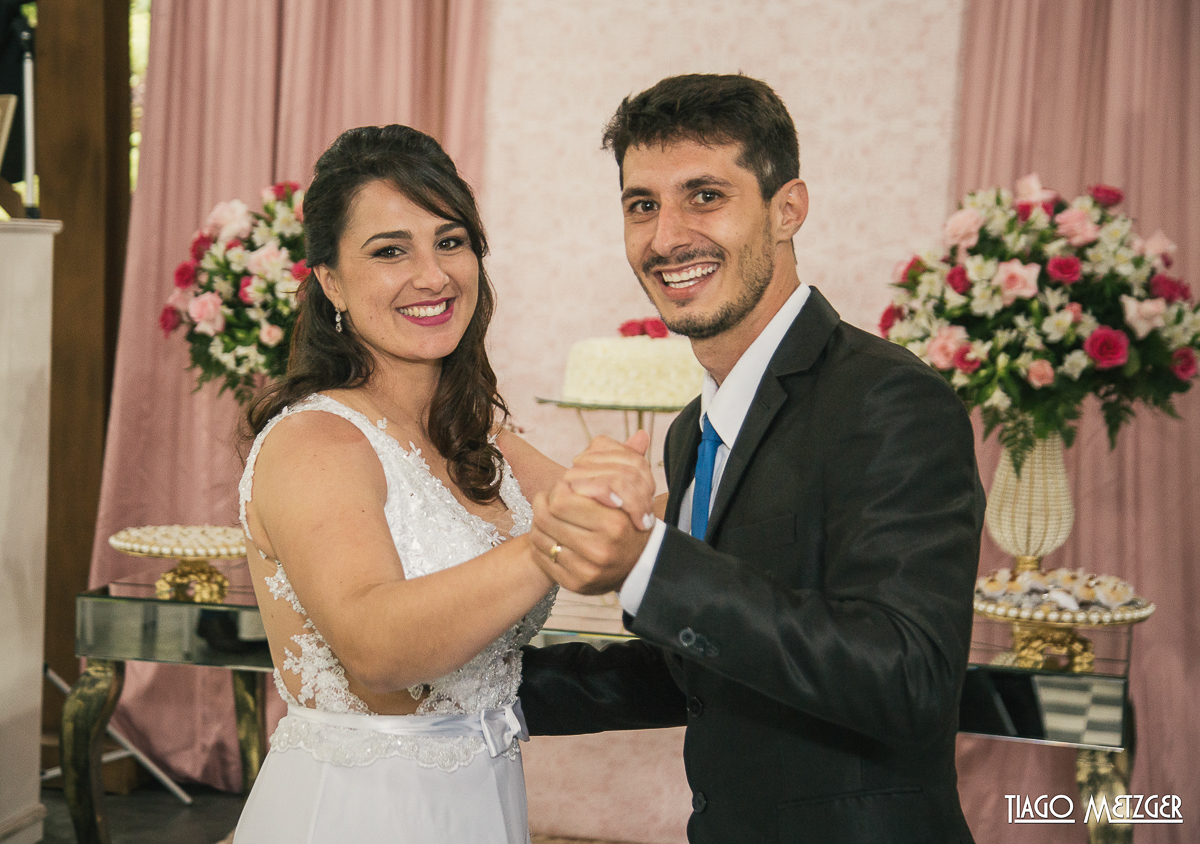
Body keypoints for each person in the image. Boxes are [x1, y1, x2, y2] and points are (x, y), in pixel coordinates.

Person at [519, 74, 986, 843]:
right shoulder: (689, 430)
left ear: (786, 209)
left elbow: (909, 677)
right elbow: (705, 670)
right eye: (642, 205)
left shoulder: (890, 400)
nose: (665, 237)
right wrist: (487, 694)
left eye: (705, 195)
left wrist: (647, 565)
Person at [233, 124, 655, 843]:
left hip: (484, 803)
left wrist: (646, 489)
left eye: (450, 241)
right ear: (330, 279)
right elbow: (377, 648)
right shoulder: (316, 441)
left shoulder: (479, 438)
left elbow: (620, 529)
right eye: (391, 250)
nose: (433, 275)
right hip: (360, 813)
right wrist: (545, 546)